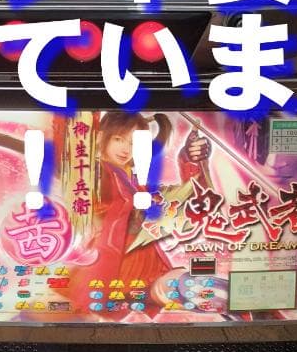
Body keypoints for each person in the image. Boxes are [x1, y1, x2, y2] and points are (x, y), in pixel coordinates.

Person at [75, 111, 211, 315]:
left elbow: (183, 197)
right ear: (102, 137)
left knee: (185, 288)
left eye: (133, 144)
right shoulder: (98, 172)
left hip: (141, 266)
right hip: (112, 265)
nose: (126, 149)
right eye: (118, 139)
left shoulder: (133, 179)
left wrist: (190, 160)